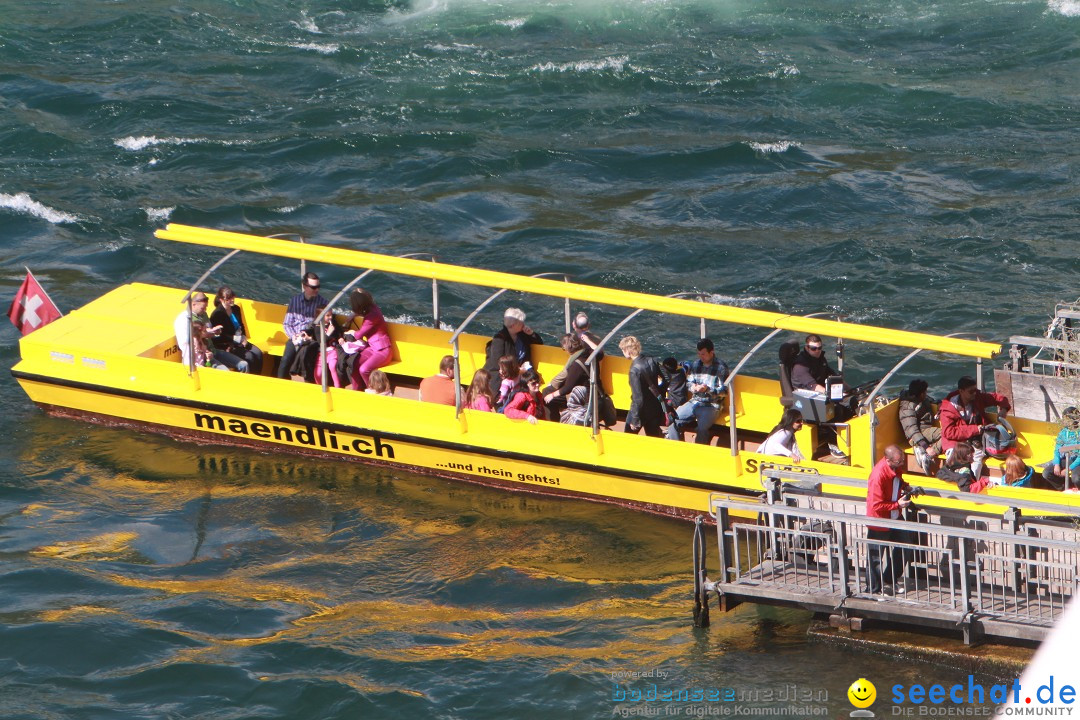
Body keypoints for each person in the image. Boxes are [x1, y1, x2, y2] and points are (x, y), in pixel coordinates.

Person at [865, 445, 916, 595]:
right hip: (879, 520)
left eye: (902, 461)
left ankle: (889, 580)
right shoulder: (878, 475)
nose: (902, 464)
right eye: (899, 462)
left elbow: (897, 481)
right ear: (888, 460)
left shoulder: (895, 467)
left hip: (894, 516)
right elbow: (876, 504)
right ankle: (873, 590)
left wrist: (905, 487)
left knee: (905, 545)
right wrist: (897, 505)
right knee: (875, 557)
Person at [939, 375, 1010, 481]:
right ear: (961, 391)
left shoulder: (977, 398)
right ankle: (964, 487)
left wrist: (1003, 409)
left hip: (975, 442)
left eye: (975, 390)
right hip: (955, 443)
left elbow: (1000, 398)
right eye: (971, 391)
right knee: (959, 466)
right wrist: (975, 429)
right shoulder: (948, 409)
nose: (974, 393)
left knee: (976, 462)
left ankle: (972, 486)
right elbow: (949, 432)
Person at [791, 334, 849, 458]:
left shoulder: (820, 358)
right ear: (807, 348)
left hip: (819, 394)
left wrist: (848, 389)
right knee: (835, 410)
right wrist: (831, 394)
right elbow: (813, 386)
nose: (817, 351)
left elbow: (831, 374)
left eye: (819, 348)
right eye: (813, 348)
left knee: (849, 404)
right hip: (806, 399)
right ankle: (833, 444)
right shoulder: (800, 366)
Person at [664, 338, 729, 445]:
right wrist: (692, 387)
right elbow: (689, 382)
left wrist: (708, 390)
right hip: (695, 401)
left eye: (703, 354)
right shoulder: (696, 364)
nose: (700, 357)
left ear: (711, 352)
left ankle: (699, 453)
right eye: (699, 354)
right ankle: (678, 447)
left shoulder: (721, 368)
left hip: (711, 405)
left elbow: (724, 392)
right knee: (672, 421)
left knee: (701, 429)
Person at [277, 272, 328, 380]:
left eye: (318, 287)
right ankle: (281, 383)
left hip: (312, 338)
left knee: (307, 358)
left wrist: (311, 337)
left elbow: (325, 324)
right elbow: (287, 323)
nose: (317, 290)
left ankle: (308, 384)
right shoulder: (294, 301)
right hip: (296, 336)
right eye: (314, 287)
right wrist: (294, 336)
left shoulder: (323, 303)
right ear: (304, 286)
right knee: (285, 359)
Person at [483, 308, 543, 395]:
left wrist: (531, 334)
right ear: (512, 326)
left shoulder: (523, 334)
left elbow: (539, 343)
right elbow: (497, 362)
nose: (523, 324)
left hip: (522, 374)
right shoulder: (499, 339)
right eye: (521, 323)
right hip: (505, 376)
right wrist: (518, 370)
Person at [343, 287, 393, 391]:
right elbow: (363, 311)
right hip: (372, 347)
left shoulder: (371, 317)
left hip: (383, 350)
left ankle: (373, 390)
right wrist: (354, 314)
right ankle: (356, 389)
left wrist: (351, 332)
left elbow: (358, 335)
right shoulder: (373, 308)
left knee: (364, 369)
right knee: (354, 363)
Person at [209, 286, 263, 374]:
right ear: (222, 300)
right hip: (227, 344)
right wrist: (234, 339)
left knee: (258, 353)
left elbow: (241, 325)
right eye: (229, 299)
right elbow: (218, 336)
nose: (232, 300)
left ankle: (258, 376)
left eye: (233, 298)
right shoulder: (217, 314)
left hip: (240, 340)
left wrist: (244, 337)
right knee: (249, 356)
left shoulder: (236, 309)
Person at [619, 335, 664, 437]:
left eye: (622, 350)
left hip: (641, 411)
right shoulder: (652, 360)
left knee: (628, 438)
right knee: (653, 437)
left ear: (627, 350)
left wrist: (635, 419)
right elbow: (666, 378)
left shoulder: (634, 371)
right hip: (654, 407)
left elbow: (637, 398)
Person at [174, 292, 231, 371]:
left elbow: (208, 330)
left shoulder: (204, 315)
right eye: (202, 308)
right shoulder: (185, 320)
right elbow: (188, 342)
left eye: (206, 308)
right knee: (226, 371)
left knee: (243, 363)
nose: (205, 310)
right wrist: (206, 335)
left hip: (211, 350)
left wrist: (215, 333)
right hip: (200, 357)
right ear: (193, 304)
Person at [543, 334, 591, 416]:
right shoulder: (587, 353)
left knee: (546, 392)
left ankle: (554, 421)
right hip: (589, 390)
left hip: (582, 396)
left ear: (568, 347)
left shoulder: (576, 364)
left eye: (564, 348)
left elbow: (568, 388)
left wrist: (552, 395)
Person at [899, 379, 940, 474]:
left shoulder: (921, 399)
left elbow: (929, 399)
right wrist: (926, 447)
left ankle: (921, 448)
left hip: (925, 429)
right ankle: (928, 454)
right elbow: (911, 429)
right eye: (925, 392)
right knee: (946, 434)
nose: (926, 394)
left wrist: (938, 403)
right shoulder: (907, 408)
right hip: (917, 435)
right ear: (921, 394)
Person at [1041, 406, 1080, 491]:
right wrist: (1057, 464)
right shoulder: (1063, 433)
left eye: (1066, 419)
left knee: (1076, 478)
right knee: (1046, 473)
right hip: (1067, 459)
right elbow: (1057, 450)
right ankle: (1063, 488)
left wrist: (1069, 469)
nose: (1064, 421)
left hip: (1078, 461)